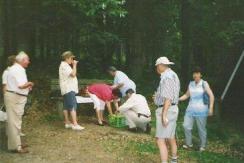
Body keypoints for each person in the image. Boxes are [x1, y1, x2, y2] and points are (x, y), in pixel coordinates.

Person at [4, 51, 34, 153]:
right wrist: (30, 83)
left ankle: (17, 144)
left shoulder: (16, 68)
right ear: (22, 60)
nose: (29, 62)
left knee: (15, 121)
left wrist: (26, 86)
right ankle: (16, 147)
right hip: (15, 98)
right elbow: (21, 85)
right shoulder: (18, 69)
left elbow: (19, 85)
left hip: (15, 96)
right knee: (14, 122)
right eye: (27, 60)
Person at [179, 67, 214, 152]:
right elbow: (187, 95)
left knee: (201, 129)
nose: (195, 75)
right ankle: (189, 144)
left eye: (197, 73)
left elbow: (211, 96)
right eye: (194, 73)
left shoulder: (204, 84)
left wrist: (211, 108)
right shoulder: (191, 84)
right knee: (186, 126)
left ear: (200, 74)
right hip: (190, 110)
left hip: (202, 111)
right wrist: (177, 99)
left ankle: (202, 146)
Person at [153, 57, 180, 163]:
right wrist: (157, 97)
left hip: (167, 110)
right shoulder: (172, 74)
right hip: (172, 108)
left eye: (156, 66)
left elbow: (168, 98)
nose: (156, 68)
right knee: (171, 136)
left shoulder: (167, 77)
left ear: (160, 65)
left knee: (160, 140)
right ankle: (174, 160)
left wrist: (164, 115)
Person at [59, 51, 84, 131]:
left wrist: (72, 65)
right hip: (69, 88)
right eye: (71, 58)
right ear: (67, 58)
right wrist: (75, 65)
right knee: (73, 105)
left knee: (66, 106)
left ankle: (67, 122)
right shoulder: (65, 66)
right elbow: (73, 74)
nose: (72, 59)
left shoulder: (64, 65)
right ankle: (75, 124)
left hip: (66, 88)